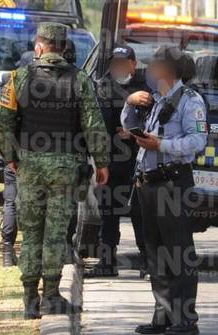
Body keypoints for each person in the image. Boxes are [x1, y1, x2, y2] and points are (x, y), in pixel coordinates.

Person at [0, 23, 110, 319]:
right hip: (66, 168)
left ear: (39, 46)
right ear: (63, 47)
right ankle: (52, 295)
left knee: (31, 232)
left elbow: (3, 123)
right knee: (56, 234)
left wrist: (11, 157)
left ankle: (30, 300)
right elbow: (93, 125)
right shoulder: (80, 80)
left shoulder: (17, 78)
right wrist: (103, 161)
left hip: (30, 166)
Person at [121, 46, 207, 335]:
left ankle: (186, 319)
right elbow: (127, 125)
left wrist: (162, 146)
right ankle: (163, 315)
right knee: (155, 253)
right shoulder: (153, 100)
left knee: (178, 252)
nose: (149, 71)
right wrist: (129, 103)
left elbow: (197, 141)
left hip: (173, 183)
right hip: (148, 183)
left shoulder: (190, 101)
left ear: (169, 69)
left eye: (155, 65)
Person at [87, 43, 149, 278]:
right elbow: (100, 124)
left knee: (140, 213)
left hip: (139, 161)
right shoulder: (103, 86)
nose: (119, 67)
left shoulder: (146, 87)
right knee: (108, 213)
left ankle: (147, 261)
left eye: (123, 63)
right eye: (115, 63)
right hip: (111, 161)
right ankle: (107, 262)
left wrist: (131, 132)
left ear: (133, 65)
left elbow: (150, 123)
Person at [0, 51, 35, 267]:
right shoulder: (46, 88)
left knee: (11, 201)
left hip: (12, 152)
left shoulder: (9, 87)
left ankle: (6, 252)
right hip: (38, 153)